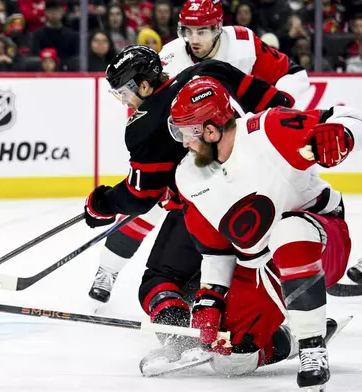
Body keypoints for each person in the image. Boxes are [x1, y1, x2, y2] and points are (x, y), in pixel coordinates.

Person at [87, 0, 311, 309]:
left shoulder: (242, 44)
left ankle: (198, 304)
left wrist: (105, 202)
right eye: (188, 31)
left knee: (180, 241)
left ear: (218, 28)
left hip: (221, 162)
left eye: (202, 31)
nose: (194, 39)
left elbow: (291, 78)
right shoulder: (177, 60)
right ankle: (107, 271)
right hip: (206, 158)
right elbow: (150, 113)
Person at [83, 44, 293, 362]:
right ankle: (268, 335)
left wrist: (103, 203)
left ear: (143, 84)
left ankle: (181, 340)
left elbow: (140, 198)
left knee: (159, 281)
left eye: (124, 91)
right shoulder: (209, 71)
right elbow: (279, 104)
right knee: (221, 273)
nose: (124, 100)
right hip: (261, 198)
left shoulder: (142, 126)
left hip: (202, 209)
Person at [170, 76, 359, 389]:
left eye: (188, 131)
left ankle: (312, 347)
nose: (184, 141)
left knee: (290, 230)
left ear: (212, 128)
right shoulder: (189, 177)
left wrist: (343, 133)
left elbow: (350, 115)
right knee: (230, 356)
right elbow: (217, 250)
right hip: (263, 265)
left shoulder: (267, 130)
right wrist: (210, 299)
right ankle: (296, 338)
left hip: (324, 241)